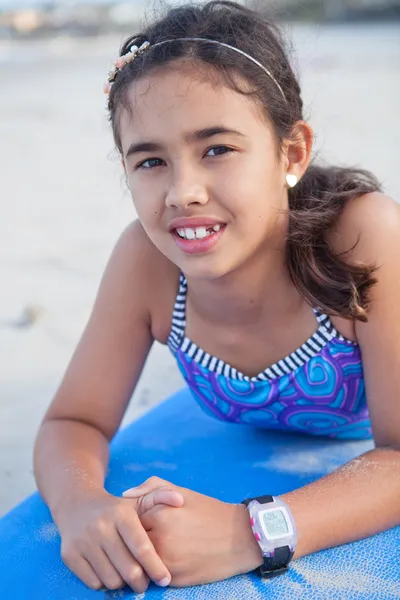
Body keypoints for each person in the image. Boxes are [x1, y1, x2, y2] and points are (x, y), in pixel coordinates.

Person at [33, 0, 400, 594]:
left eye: (217, 149)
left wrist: (250, 531)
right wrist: (80, 505)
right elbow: (72, 421)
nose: (183, 191)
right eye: (150, 160)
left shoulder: (363, 238)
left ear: (292, 154)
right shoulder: (147, 263)